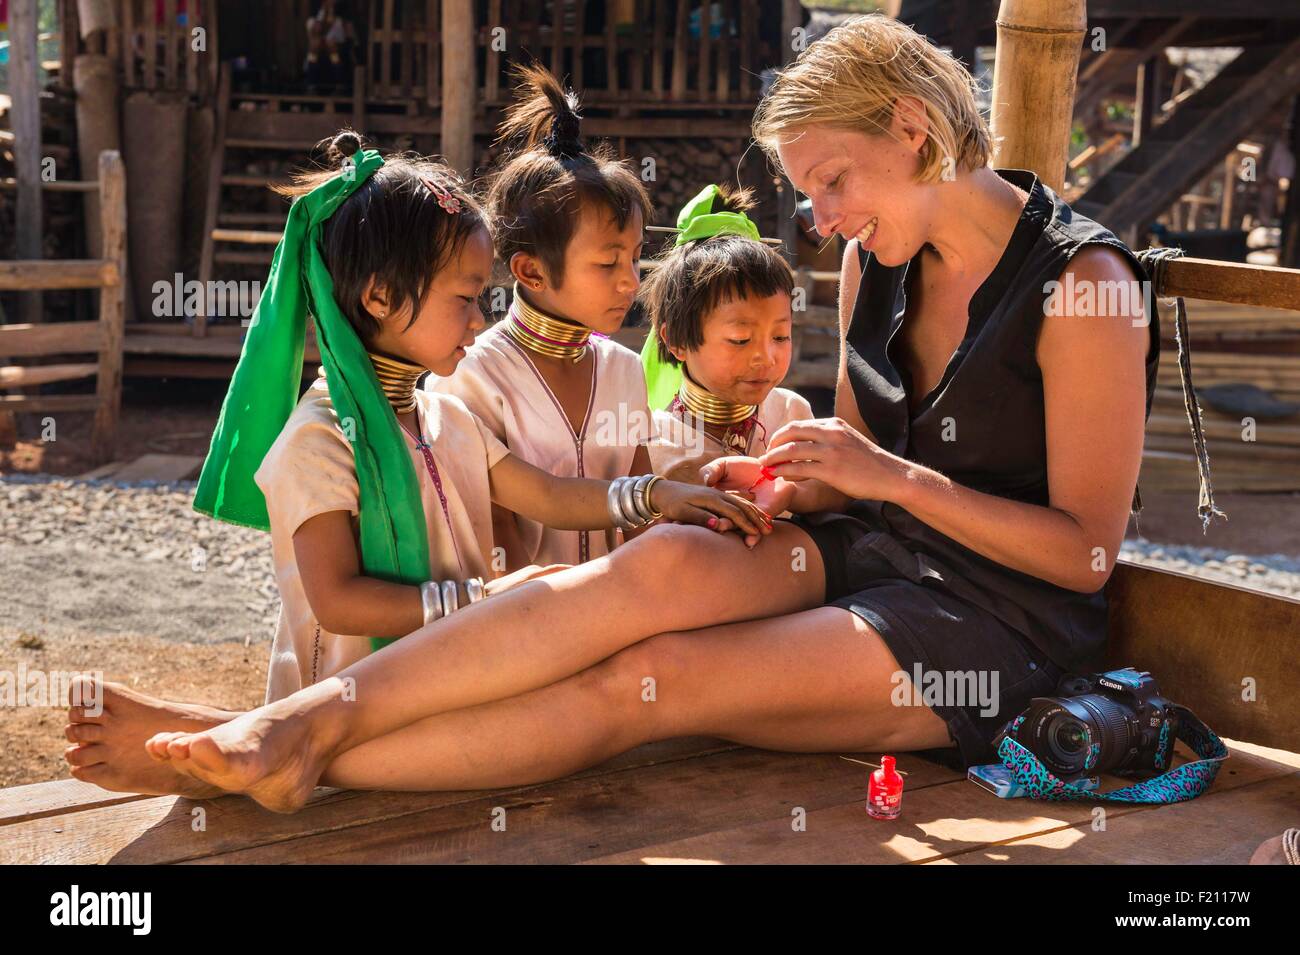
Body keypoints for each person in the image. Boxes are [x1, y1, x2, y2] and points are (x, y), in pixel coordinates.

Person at [66, 14, 1157, 814]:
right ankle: (299, 723)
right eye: (810, 195)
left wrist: (885, 482)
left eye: (829, 184)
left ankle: (275, 739)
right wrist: (790, 478)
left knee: (649, 681)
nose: (818, 224)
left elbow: (1087, 556)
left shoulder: (1082, 285)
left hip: (999, 623)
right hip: (872, 547)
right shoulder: (885, 258)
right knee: (649, 572)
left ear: (915, 131)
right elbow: (856, 468)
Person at [428, 64, 656, 571]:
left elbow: (644, 511)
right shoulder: (472, 376)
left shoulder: (624, 369)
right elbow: (495, 540)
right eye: (606, 262)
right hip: (519, 622)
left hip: (621, 616)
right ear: (531, 271)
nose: (631, 281)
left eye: (636, 258)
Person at [639, 182, 813, 491]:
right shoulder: (651, 440)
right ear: (676, 340)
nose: (766, 357)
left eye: (781, 336)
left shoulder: (792, 415)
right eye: (740, 339)